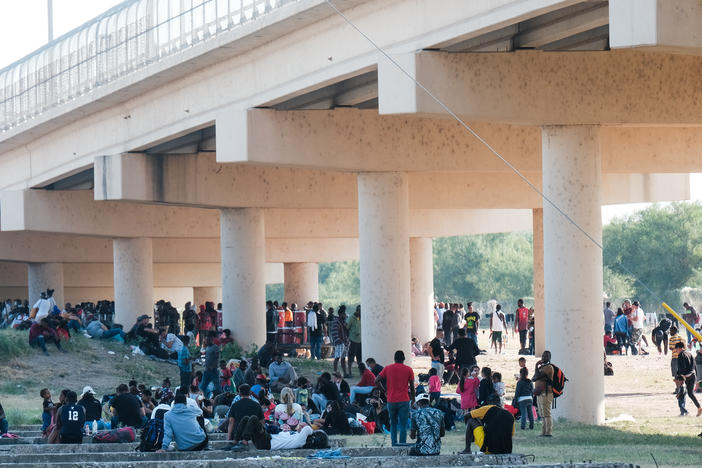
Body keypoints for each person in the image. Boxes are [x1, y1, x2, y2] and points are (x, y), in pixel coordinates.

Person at [376, 350, 415, 446]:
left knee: (393, 423)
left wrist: (384, 391)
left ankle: (394, 444)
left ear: (394, 359)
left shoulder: (388, 368)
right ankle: (402, 444)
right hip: (404, 400)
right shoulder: (408, 369)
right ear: (404, 359)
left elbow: (376, 380)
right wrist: (413, 398)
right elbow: (412, 386)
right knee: (403, 424)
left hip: (391, 400)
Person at [675, 341, 702, 416]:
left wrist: (679, 377)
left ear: (679, 348)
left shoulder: (681, 355)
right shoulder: (689, 353)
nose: (676, 351)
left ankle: (683, 411)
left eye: (676, 349)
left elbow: (682, 368)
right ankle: (699, 408)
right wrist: (696, 377)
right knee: (690, 393)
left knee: (681, 394)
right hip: (692, 375)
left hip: (684, 377)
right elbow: (695, 365)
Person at [532, 350, 555, 437]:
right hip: (540, 393)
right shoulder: (541, 367)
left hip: (546, 393)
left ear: (549, 358)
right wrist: (537, 368)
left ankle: (548, 432)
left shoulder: (549, 367)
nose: (543, 358)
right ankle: (543, 432)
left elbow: (537, 376)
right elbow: (534, 378)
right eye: (543, 356)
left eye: (546, 356)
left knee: (547, 414)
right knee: (542, 414)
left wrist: (535, 366)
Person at [330, 307, 350, 377]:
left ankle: (345, 373)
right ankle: (335, 372)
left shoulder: (343, 322)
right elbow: (334, 332)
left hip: (344, 342)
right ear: (340, 314)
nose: (345, 315)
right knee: (337, 357)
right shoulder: (336, 322)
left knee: (343, 358)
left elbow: (346, 331)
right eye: (344, 314)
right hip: (339, 343)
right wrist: (339, 340)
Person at [347, 305, 362, 375]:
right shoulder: (351, 318)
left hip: (360, 341)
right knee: (351, 357)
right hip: (353, 340)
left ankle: (361, 372)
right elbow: (346, 327)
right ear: (357, 311)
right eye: (360, 311)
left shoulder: (360, 318)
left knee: (360, 358)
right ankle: (349, 371)